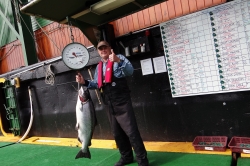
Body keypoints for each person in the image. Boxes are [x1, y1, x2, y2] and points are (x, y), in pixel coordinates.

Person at [76, 41, 149, 166]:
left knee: (131, 132)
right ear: (98, 52)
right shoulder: (99, 67)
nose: (103, 50)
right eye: (100, 49)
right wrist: (85, 82)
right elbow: (96, 84)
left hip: (122, 102)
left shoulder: (119, 58)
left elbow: (130, 71)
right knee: (117, 133)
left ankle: (142, 160)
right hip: (109, 104)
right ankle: (126, 157)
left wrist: (118, 61)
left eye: (105, 48)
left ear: (110, 49)